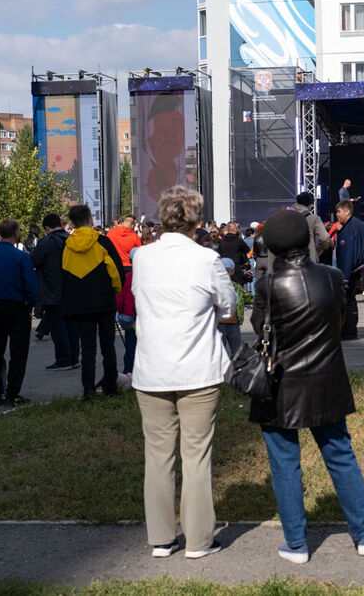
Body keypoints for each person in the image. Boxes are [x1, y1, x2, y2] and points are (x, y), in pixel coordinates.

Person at [249, 209, 364, 564]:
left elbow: (259, 326)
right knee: (341, 455)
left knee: (284, 462)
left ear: (271, 245)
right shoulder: (332, 276)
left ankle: (296, 544)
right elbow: (337, 323)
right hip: (327, 377)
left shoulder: (266, 285)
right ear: (306, 240)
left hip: (280, 382)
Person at [132, 186, 235, 560]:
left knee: (157, 457)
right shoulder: (205, 259)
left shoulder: (141, 256)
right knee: (197, 456)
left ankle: (161, 538)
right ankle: (198, 540)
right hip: (197, 370)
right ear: (195, 221)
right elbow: (227, 304)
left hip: (151, 369)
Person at [62, 205, 125, 401]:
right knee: (108, 347)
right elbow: (116, 273)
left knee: (87, 349)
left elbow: (64, 275)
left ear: (72, 223)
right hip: (104, 302)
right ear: (90, 219)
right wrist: (115, 290)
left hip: (80, 305)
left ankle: (88, 391)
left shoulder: (67, 246)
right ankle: (111, 388)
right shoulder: (103, 241)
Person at [0, 219, 38, 408]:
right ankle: (12, 393)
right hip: (17, 307)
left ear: (0, 233)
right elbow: (31, 286)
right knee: (18, 352)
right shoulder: (21, 257)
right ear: (16, 233)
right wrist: (29, 306)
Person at [31, 214, 80, 371]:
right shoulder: (71, 239)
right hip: (71, 290)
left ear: (46, 228)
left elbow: (34, 260)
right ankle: (74, 358)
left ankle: (63, 359)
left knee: (58, 327)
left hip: (52, 291)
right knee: (72, 326)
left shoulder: (46, 242)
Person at [334, 200, 364, 340]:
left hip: (350, 271)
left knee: (347, 302)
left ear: (347, 211)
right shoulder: (360, 226)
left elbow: (347, 253)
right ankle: (349, 329)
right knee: (350, 301)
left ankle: (348, 330)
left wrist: (344, 276)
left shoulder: (349, 229)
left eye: (339, 211)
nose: (337, 214)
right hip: (357, 268)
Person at [116, 247, 139, 384]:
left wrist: (120, 311)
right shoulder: (151, 277)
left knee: (130, 346)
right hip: (146, 316)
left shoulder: (127, 277)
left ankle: (128, 373)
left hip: (130, 316)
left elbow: (119, 299)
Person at [216, 257, 245, 356]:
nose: (225, 273)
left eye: (227, 271)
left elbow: (248, 297)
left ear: (232, 272)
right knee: (220, 351)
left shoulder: (237, 287)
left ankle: (236, 369)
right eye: (222, 271)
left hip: (234, 323)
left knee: (237, 351)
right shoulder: (214, 287)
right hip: (219, 324)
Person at [293, 191, 330, 262]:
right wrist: (322, 248)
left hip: (290, 260)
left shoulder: (287, 217)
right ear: (309, 205)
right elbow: (324, 238)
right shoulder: (314, 219)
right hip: (308, 259)